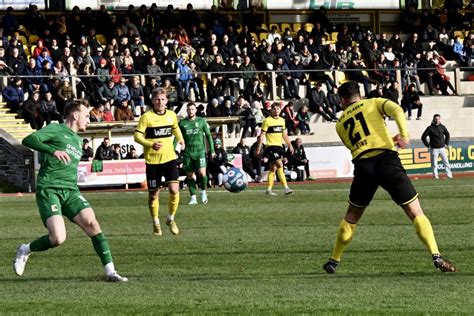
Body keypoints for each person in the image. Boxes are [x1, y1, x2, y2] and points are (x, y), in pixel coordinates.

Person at [322, 81, 457, 274]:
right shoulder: (374, 102)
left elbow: (361, 145)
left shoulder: (340, 123)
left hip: (363, 166)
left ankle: (334, 260)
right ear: (359, 95)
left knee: (351, 216)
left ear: (342, 100)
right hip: (387, 162)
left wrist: (387, 140)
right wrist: (403, 134)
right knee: (415, 211)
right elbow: (398, 111)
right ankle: (436, 255)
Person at [14, 99, 127, 282]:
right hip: (50, 189)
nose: (89, 119)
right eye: (86, 115)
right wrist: (52, 151)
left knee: (92, 223)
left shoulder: (77, 140)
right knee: (58, 238)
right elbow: (29, 139)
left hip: (71, 191)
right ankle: (26, 249)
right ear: (75, 115)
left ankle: (111, 272)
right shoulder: (57, 129)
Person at [133, 88, 185, 236]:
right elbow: (137, 137)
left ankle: (171, 218)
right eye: (157, 100)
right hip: (153, 161)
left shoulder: (172, 115)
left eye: (162, 99)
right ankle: (156, 223)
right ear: (153, 101)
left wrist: (180, 139)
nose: (160, 102)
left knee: (174, 190)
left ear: (166, 101)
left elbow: (175, 129)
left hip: (169, 158)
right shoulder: (146, 117)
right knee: (153, 195)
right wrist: (150, 144)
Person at [178, 102, 215, 205]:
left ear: (196, 110)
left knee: (202, 173)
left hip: (200, 152)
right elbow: (177, 137)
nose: (191, 111)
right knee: (190, 175)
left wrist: (212, 150)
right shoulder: (182, 123)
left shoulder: (201, 121)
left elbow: (208, 135)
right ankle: (193, 197)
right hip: (187, 153)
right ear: (187, 111)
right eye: (189, 109)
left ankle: (203, 191)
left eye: (192, 109)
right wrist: (173, 149)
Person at [256, 102, 294, 195]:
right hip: (271, 147)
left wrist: (290, 145)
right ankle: (286, 188)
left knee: (273, 169)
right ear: (271, 110)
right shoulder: (267, 121)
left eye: (278, 109)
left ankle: (268, 190)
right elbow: (262, 135)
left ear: (280, 110)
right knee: (280, 165)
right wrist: (259, 147)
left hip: (279, 147)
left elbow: (284, 134)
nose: (276, 111)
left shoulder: (282, 120)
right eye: (274, 109)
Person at [421, 114, 453, 179]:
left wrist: (446, 143)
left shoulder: (442, 127)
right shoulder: (430, 128)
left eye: (438, 119)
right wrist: (428, 145)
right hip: (434, 149)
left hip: (442, 148)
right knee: (434, 164)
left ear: (440, 119)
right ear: (433, 119)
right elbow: (423, 137)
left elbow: (447, 134)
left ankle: (449, 175)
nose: (437, 120)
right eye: (436, 119)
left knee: (446, 162)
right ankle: (435, 176)